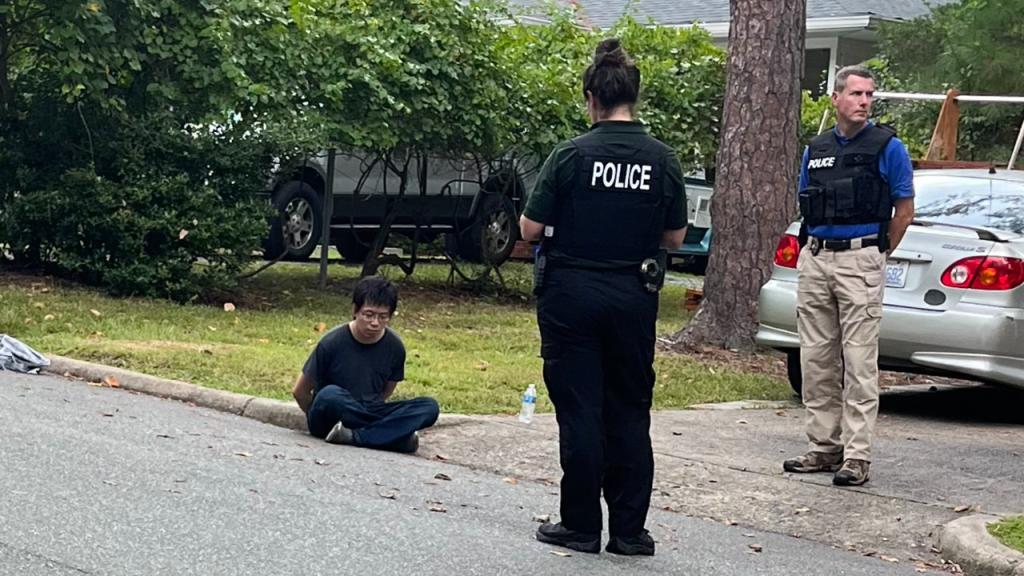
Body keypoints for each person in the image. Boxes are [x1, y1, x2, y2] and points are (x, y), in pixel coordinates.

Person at [519, 38, 687, 556]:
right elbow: (676, 237)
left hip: (572, 295)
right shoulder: (662, 159)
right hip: (634, 294)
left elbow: (529, 227)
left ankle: (581, 525)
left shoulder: (571, 155)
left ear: (591, 98)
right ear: (633, 97)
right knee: (630, 410)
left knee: (580, 409)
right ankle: (630, 532)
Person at [783, 65, 915, 486]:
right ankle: (824, 446)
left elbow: (904, 211)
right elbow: (806, 204)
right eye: (856, 94)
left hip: (861, 259)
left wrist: (876, 252)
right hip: (818, 256)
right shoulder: (816, 149)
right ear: (836, 98)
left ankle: (857, 456)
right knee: (816, 359)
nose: (863, 101)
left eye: (869, 95)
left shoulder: (887, 147)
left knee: (859, 361)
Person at [292, 276, 439, 453]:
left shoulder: (395, 346)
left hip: (370, 409)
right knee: (329, 395)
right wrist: (316, 415)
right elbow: (300, 391)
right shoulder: (332, 341)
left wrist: (365, 413)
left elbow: (387, 390)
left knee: (429, 407)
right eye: (368, 315)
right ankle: (391, 437)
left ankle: (356, 436)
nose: (375, 323)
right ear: (355, 310)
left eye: (382, 317)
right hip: (334, 412)